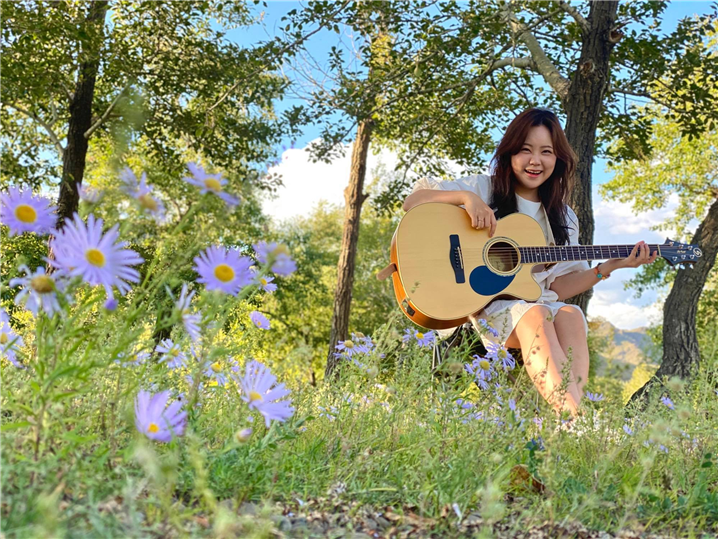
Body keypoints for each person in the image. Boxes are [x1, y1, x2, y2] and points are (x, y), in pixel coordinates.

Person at [402, 108, 658, 418]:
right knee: (536, 311)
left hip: (534, 306)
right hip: (487, 305)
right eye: (526, 150)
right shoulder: (484, 189)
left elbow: (559, 286)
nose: (535, 161)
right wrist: (465, 200)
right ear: (510, 153)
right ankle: (574, 419)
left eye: (546, 152)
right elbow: (413, 202)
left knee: (570, 315)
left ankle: (573, 418)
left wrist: (607, 268)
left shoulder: (563, 217)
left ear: (557, 159)